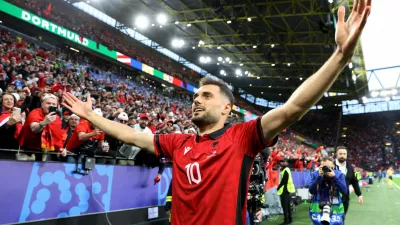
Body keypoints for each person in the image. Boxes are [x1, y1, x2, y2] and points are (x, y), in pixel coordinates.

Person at [62, 1, 372, 224]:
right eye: (196, 95)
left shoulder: (243, 137)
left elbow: (294, 107)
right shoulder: (177, 142)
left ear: (227, 108)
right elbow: (129, 133)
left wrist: (340, 57)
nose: (196, 100)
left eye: (206, 95)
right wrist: (92, 116)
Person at [18, 93, 65, 161]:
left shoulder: (57, 118)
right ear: (42, 104)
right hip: (29, 151)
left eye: (54, 104)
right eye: (48, 103)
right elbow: (34, 128)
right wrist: (43, 123)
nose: (51, 106)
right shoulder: (35, 113)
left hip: (46, 151)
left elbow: (57, 136)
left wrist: (60, 148)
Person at [309, 157, 347, 225]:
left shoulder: (339, 175)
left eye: (329, 167)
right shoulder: (315, 174)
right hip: (318, 211)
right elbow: (311, 190)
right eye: (324, 167)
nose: (326, 169)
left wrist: (334, 177)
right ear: (320, 166)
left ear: (333, 167)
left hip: (336, 211)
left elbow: (344, 191)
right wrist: (319, 177)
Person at [334, 146, 363, 215]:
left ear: (346, 155)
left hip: (345, 198)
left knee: (342, 218)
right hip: (332, 197)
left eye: (344, 154)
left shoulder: (349, 167)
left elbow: (354, 182)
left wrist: (359, 194)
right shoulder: (331, 165)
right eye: (340, 154)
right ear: (336, 155)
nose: (342, 156)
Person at [277, 159, 295, 225]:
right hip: (287, 189)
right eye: (281, 162)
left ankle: (286, 220)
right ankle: (289, 219)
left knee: (285, 206)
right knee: (287, 205)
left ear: (286, 162)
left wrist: (278, 187)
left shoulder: (285, 170)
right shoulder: (286, 169)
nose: (281, 163)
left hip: (285, 189)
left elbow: (284, 181)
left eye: (283, 162)